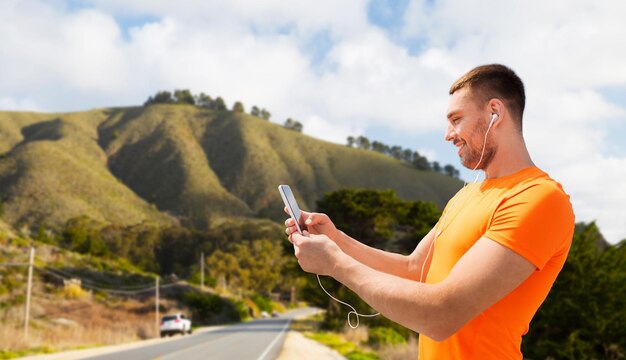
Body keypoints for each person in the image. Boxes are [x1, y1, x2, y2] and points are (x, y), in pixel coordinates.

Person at [284, 64, 575, 359]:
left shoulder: (539, 198)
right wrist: (336, 240)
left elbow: (443, 314)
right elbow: (413, 271)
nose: (448, 135)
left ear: (494, 113)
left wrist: (335, 264)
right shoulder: (466, 196)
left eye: (456, 119)